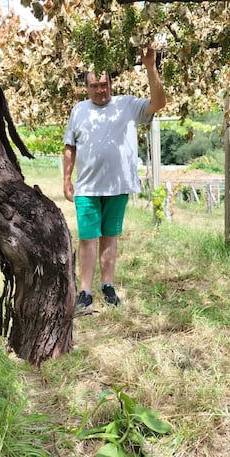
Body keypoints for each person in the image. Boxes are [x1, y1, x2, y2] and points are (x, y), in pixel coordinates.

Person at [63, 48, 166, 310]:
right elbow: (70, 146)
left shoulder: (127, 105)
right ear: (86, 87)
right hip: (87, 186)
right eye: (94, 85)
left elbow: (159, 103)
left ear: (111, 84)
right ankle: (85, 290)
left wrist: (151, 67)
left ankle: (107, 285)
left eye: (104, 84)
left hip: (118, 185)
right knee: (87, 238)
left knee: (110, 236)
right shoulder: (79, 110)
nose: (100, 90)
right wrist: (66, 178)